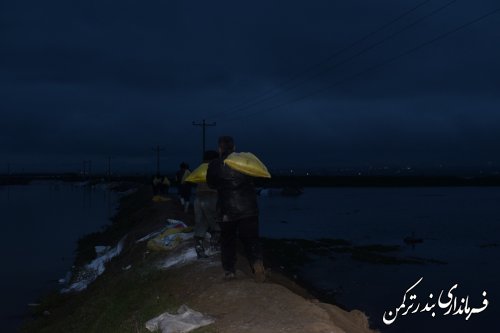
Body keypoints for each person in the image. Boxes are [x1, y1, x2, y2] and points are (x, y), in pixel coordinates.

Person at [206, 136, 265, 282]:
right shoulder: (245, 162)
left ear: (220, 149)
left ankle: (230, 271)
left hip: (227, 210)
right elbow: (256, 179)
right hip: (249, 209)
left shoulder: (214, 164)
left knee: (227, 240)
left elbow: (211, 184)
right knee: (251, 239)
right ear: (234, 147)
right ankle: (257, 264)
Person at [193, 150, 220, 259]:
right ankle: (214, 246)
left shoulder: (199, 168)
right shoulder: (215, 168)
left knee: (201, 224)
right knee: (217, 224)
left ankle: (199, 249)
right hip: (212, 198)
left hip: (198, 199)